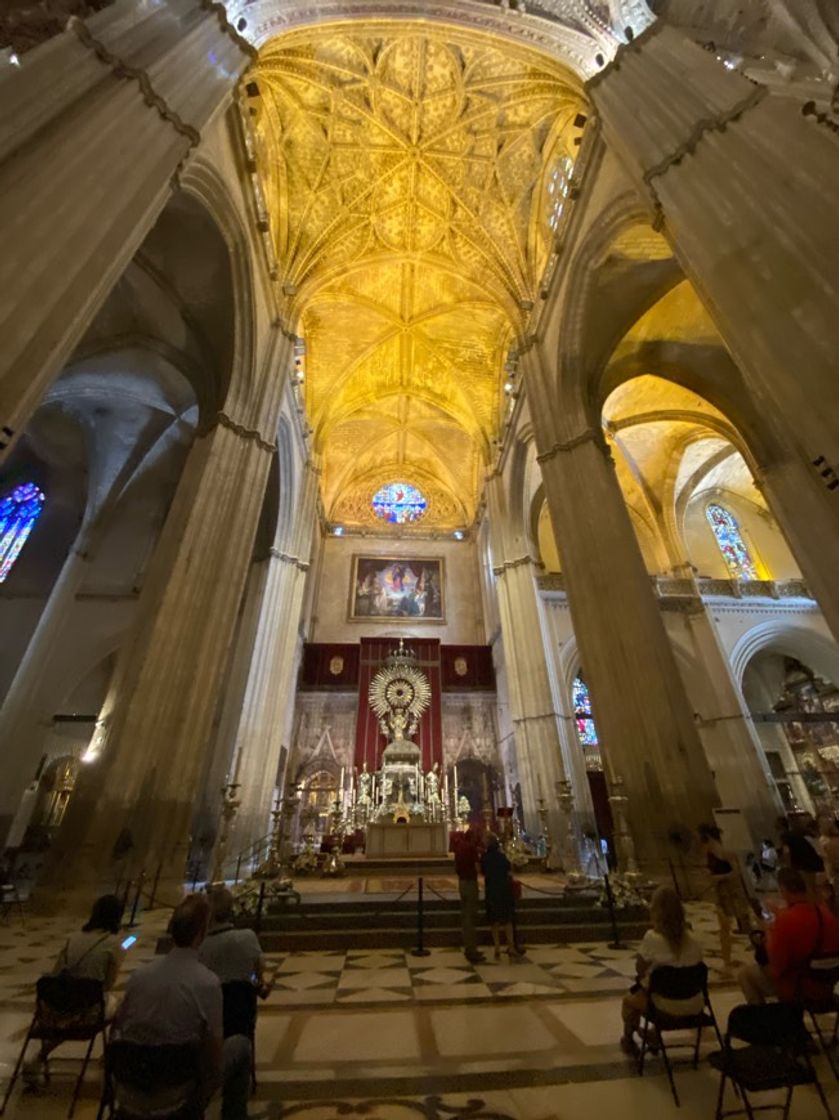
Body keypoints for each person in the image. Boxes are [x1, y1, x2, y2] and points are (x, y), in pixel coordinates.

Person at [112, 893, 250, 1120]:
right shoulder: (206, 982)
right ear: (201, 934)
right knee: (240, 1045)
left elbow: (118, 1029)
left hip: (129, 1090)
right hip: (178, 1093)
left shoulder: (139, 976)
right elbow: (215, 1056)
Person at [24, 894, 125, 1085]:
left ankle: (40, 1054)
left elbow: (56, 973)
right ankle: (110, 1055)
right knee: (122, 1005)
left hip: (58, 1009)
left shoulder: (73, 938)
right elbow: (108, 983)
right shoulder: (114, 943)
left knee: (73, 1007)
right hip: (87, 1011)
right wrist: (128, 941)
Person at [620, 886, 704, 1057]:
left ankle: (628, 1040)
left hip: (666, 1005)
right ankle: (653, 1035)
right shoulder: (693, 938)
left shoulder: (652, 937)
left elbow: (639, 968)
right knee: (664, 986)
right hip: (695, 1002)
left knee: (630, 1001)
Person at [738, 866, 839, 1005]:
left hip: (799, 986)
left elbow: (777, 966)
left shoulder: (786, 920)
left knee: (746, 974)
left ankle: (763, 1020)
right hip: (827, 984)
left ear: (783, 890)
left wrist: (768, 932)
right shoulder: (825, 914)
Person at [199, 885, 270, 997]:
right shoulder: (248, 936)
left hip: (213, 1006)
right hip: (244, 1006)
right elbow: (260, 967)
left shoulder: (202, 946)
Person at [698, 823, 751, 969]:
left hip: (731, 891)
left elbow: (737, 872)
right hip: (720, 893)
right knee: (724, 928)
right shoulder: (710, 853)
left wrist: (719, 877)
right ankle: (726, 960)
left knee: (740, 921)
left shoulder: (725, 853)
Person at [480, 834, 522, 960]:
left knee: (494, 920)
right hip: (504, 890)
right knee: (507, 919)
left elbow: (482, 871)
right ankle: (511, 946)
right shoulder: (502, 857)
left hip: (492, 889)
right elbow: (509, 870)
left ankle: (497, 947)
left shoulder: (485, 857)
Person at [453, 826, 485, 964]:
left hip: (462, 882)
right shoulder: (471, 848)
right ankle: (471, 949)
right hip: (470, 882)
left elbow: (456, 867)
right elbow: (478, 867)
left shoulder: (458, 848)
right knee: (471, 915)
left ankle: (468, 946)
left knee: (466, 914)